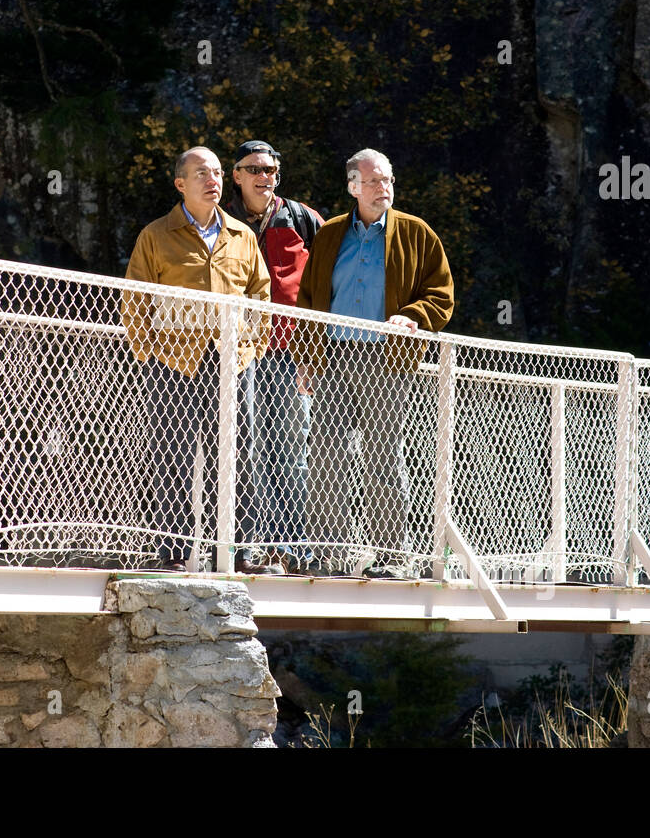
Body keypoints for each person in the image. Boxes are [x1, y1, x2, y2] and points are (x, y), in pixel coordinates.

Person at [295, 148, 454, 578]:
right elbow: (308, 299)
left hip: (387, 360)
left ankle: (393, 559)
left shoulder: (417, 233)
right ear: (353, 187)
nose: (384, 188)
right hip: (332, 357)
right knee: (326, 457)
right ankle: (330, 554)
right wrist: (306, 358)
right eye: (374, 181)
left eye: (388, 180)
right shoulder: (328, 234)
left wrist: (413, 315)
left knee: (384, 457)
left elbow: (442, 295)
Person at [121, 146, 278, 573]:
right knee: (171, 454)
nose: (213, 181)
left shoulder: (241, 235)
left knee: (241, 454)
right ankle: (174, 552)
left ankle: (241, 551)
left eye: (217, 174)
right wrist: (148, 352)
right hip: (173, 362)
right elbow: (134, 300)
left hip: (232, 362)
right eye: (202, 174)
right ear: (180, 184)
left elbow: (261, 296)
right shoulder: (156, 234)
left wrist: (254, 348)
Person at [223, 139, 324, 573]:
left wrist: (314, 355)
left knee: (291, 449)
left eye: (271, 170)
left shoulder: (303, 219)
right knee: (246, 449)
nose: (265, 177)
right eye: (256, 169)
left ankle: (296, 547)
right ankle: (252, 546)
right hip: (239, 353)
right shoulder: (222, 222)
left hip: (290, 354)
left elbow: (323, 289)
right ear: (237, 175)